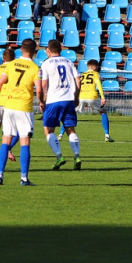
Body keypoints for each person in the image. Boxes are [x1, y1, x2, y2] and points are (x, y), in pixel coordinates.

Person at [0, 38, 42, 186]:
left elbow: (0, 83)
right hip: (24, 108)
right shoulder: (35, 68)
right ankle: (24, 178)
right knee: (25, 143)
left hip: (9, 106)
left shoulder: (12, 64)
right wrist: (42, 102)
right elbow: (39, 89)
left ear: (21, 49)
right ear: (34, 52)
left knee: (5, 141)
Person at [40, 39, 82, 171]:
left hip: (54, 100)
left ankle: (59, 157)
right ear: (61, 49)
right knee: (71, 129)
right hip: (68, 99)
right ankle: (76, 156)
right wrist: (76, 96)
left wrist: (42, 99)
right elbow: (78, 80)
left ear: (48, 50)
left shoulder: (46, 63)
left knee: (48, 130)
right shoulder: (69, 62)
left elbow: (44, 84)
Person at [77, 59, 114, 142]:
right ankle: (107, 136)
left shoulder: (82, 75)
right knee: (103, 112)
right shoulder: (95, 74)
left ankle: (60, 134)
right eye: (96, 67)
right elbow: (99, 86)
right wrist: (103, 97)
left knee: (71, 114)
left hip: (81, 96)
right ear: (94, 67)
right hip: (92, 96)